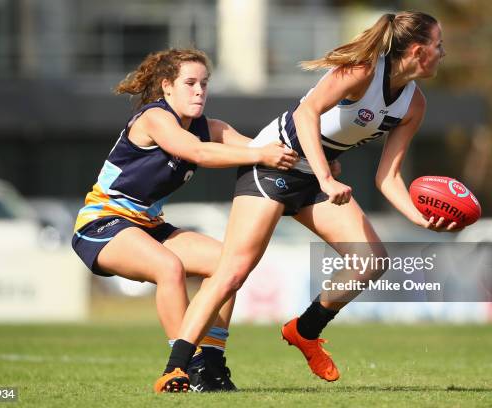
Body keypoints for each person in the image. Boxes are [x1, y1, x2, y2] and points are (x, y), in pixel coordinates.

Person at [155, 11, 462, 392]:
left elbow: (388, 177)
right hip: (274, 163)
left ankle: (304, 330)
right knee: (232, 271)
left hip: (315, 174)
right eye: (439, 45)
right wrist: (326, 177)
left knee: (371, 260)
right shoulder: (363, 70)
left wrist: (421, 218)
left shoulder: (414, 106)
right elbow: (305, 113)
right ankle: (177, 368)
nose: (443, 52)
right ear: (418, 50)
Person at [71, 48, 298, 392]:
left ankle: (212, 365)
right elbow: (197, 153)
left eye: (204, 84)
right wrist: (260, 154)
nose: (199, 91)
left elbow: (263, 149)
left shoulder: (212, 127)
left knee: (228, 265)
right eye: (189, 83)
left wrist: (314, 164)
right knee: (169, 268)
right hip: (103, 223)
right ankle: (185, 368)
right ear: (166, 87)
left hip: (148, 224)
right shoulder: (154, 119)